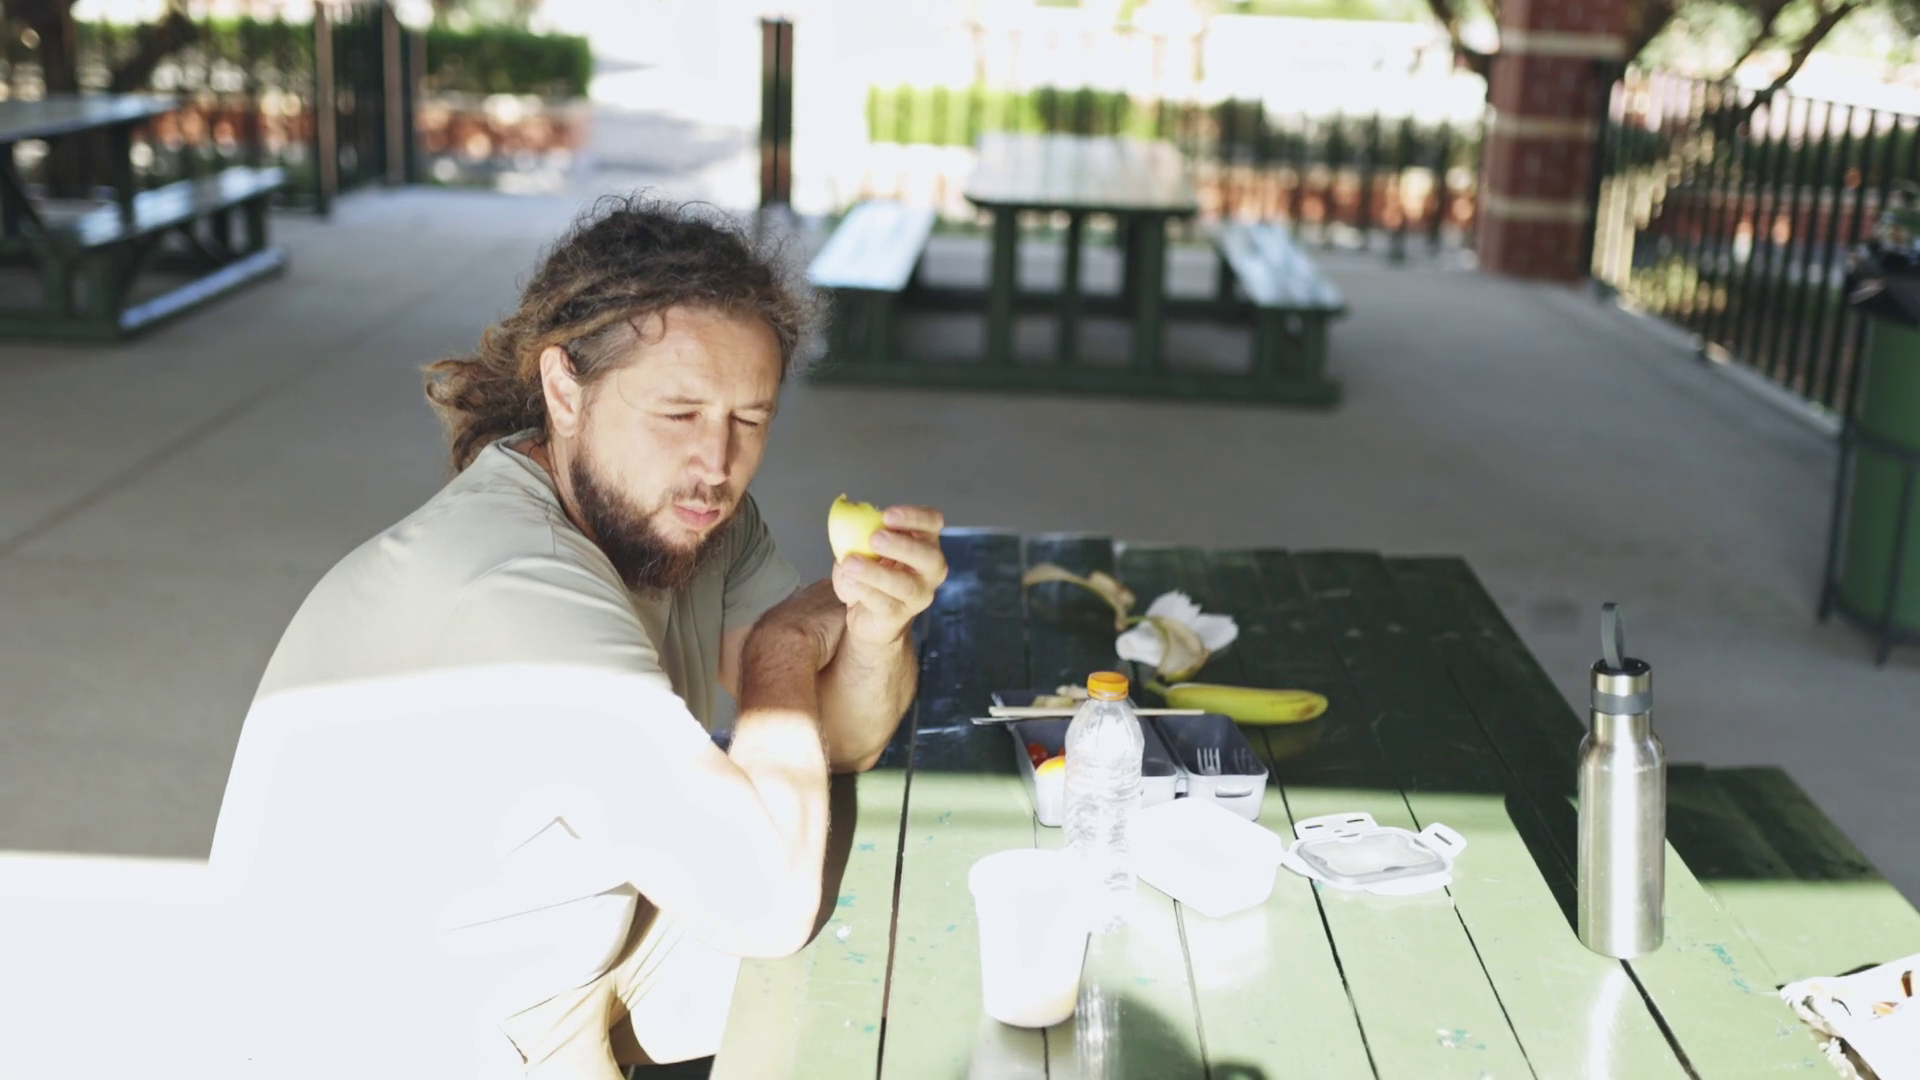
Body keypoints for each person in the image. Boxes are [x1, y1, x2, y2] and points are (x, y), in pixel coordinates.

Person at [224, 194, 949, 1078]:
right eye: (678, 414)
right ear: (565, 390)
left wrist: (876, 628)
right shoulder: (518, 590)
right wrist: (781, 648)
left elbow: (839, 739)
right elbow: (765, 901)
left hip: (565, 943)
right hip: (404, 1029)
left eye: (748, 420)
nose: (716, 466)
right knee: (812, 909)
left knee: (898, 911)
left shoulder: (692, 516)